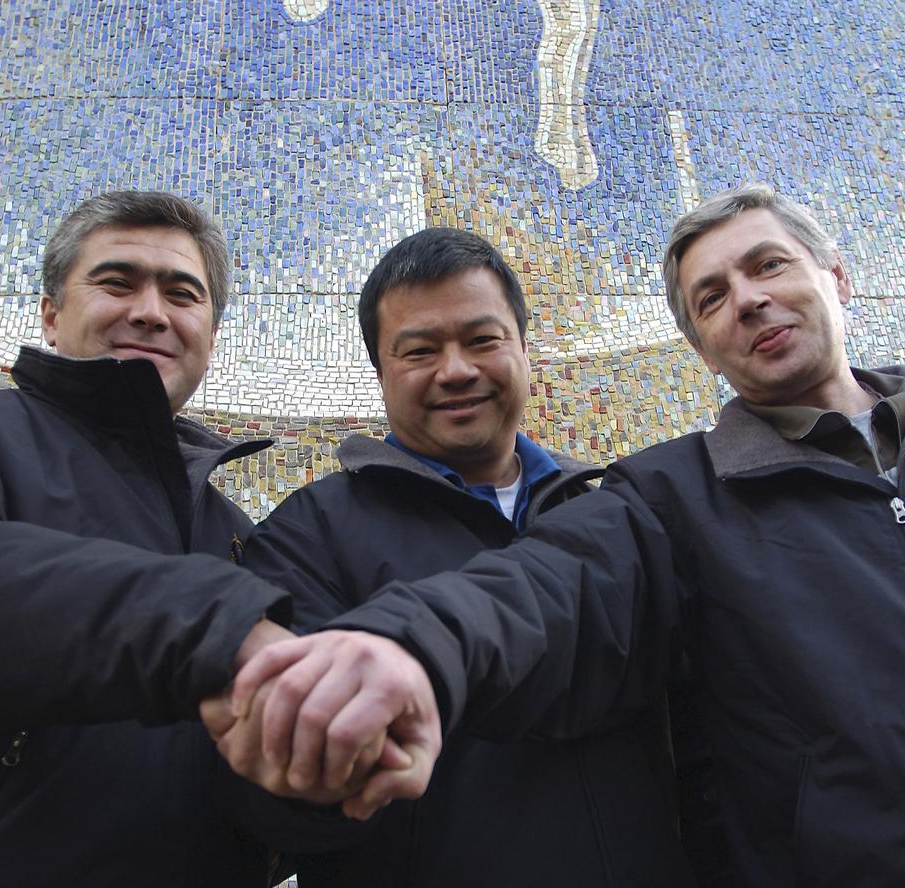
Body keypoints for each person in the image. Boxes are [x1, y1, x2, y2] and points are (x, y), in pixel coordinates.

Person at [232, 184, 905, 886]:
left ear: (836, 277)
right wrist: (394, 653)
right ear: (701, 345)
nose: (749, 299)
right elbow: (542, 591)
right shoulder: (667, 502)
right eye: (711, 296)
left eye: (769, 264)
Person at [0, 190, 433, 886]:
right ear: (51, 314)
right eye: (117, 282)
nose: (150, 311)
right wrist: (222, 633)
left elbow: (260, 821)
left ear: (210, 336)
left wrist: (321, 779)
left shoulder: (244, 544)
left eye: (183, 294)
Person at [209, 227, 692, 886]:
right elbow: (275, 795)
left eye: (482, 340)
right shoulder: (308, 534)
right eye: (420, 350)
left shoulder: (613, 510)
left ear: (525, 348)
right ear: (381, 374)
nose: (456, 369)